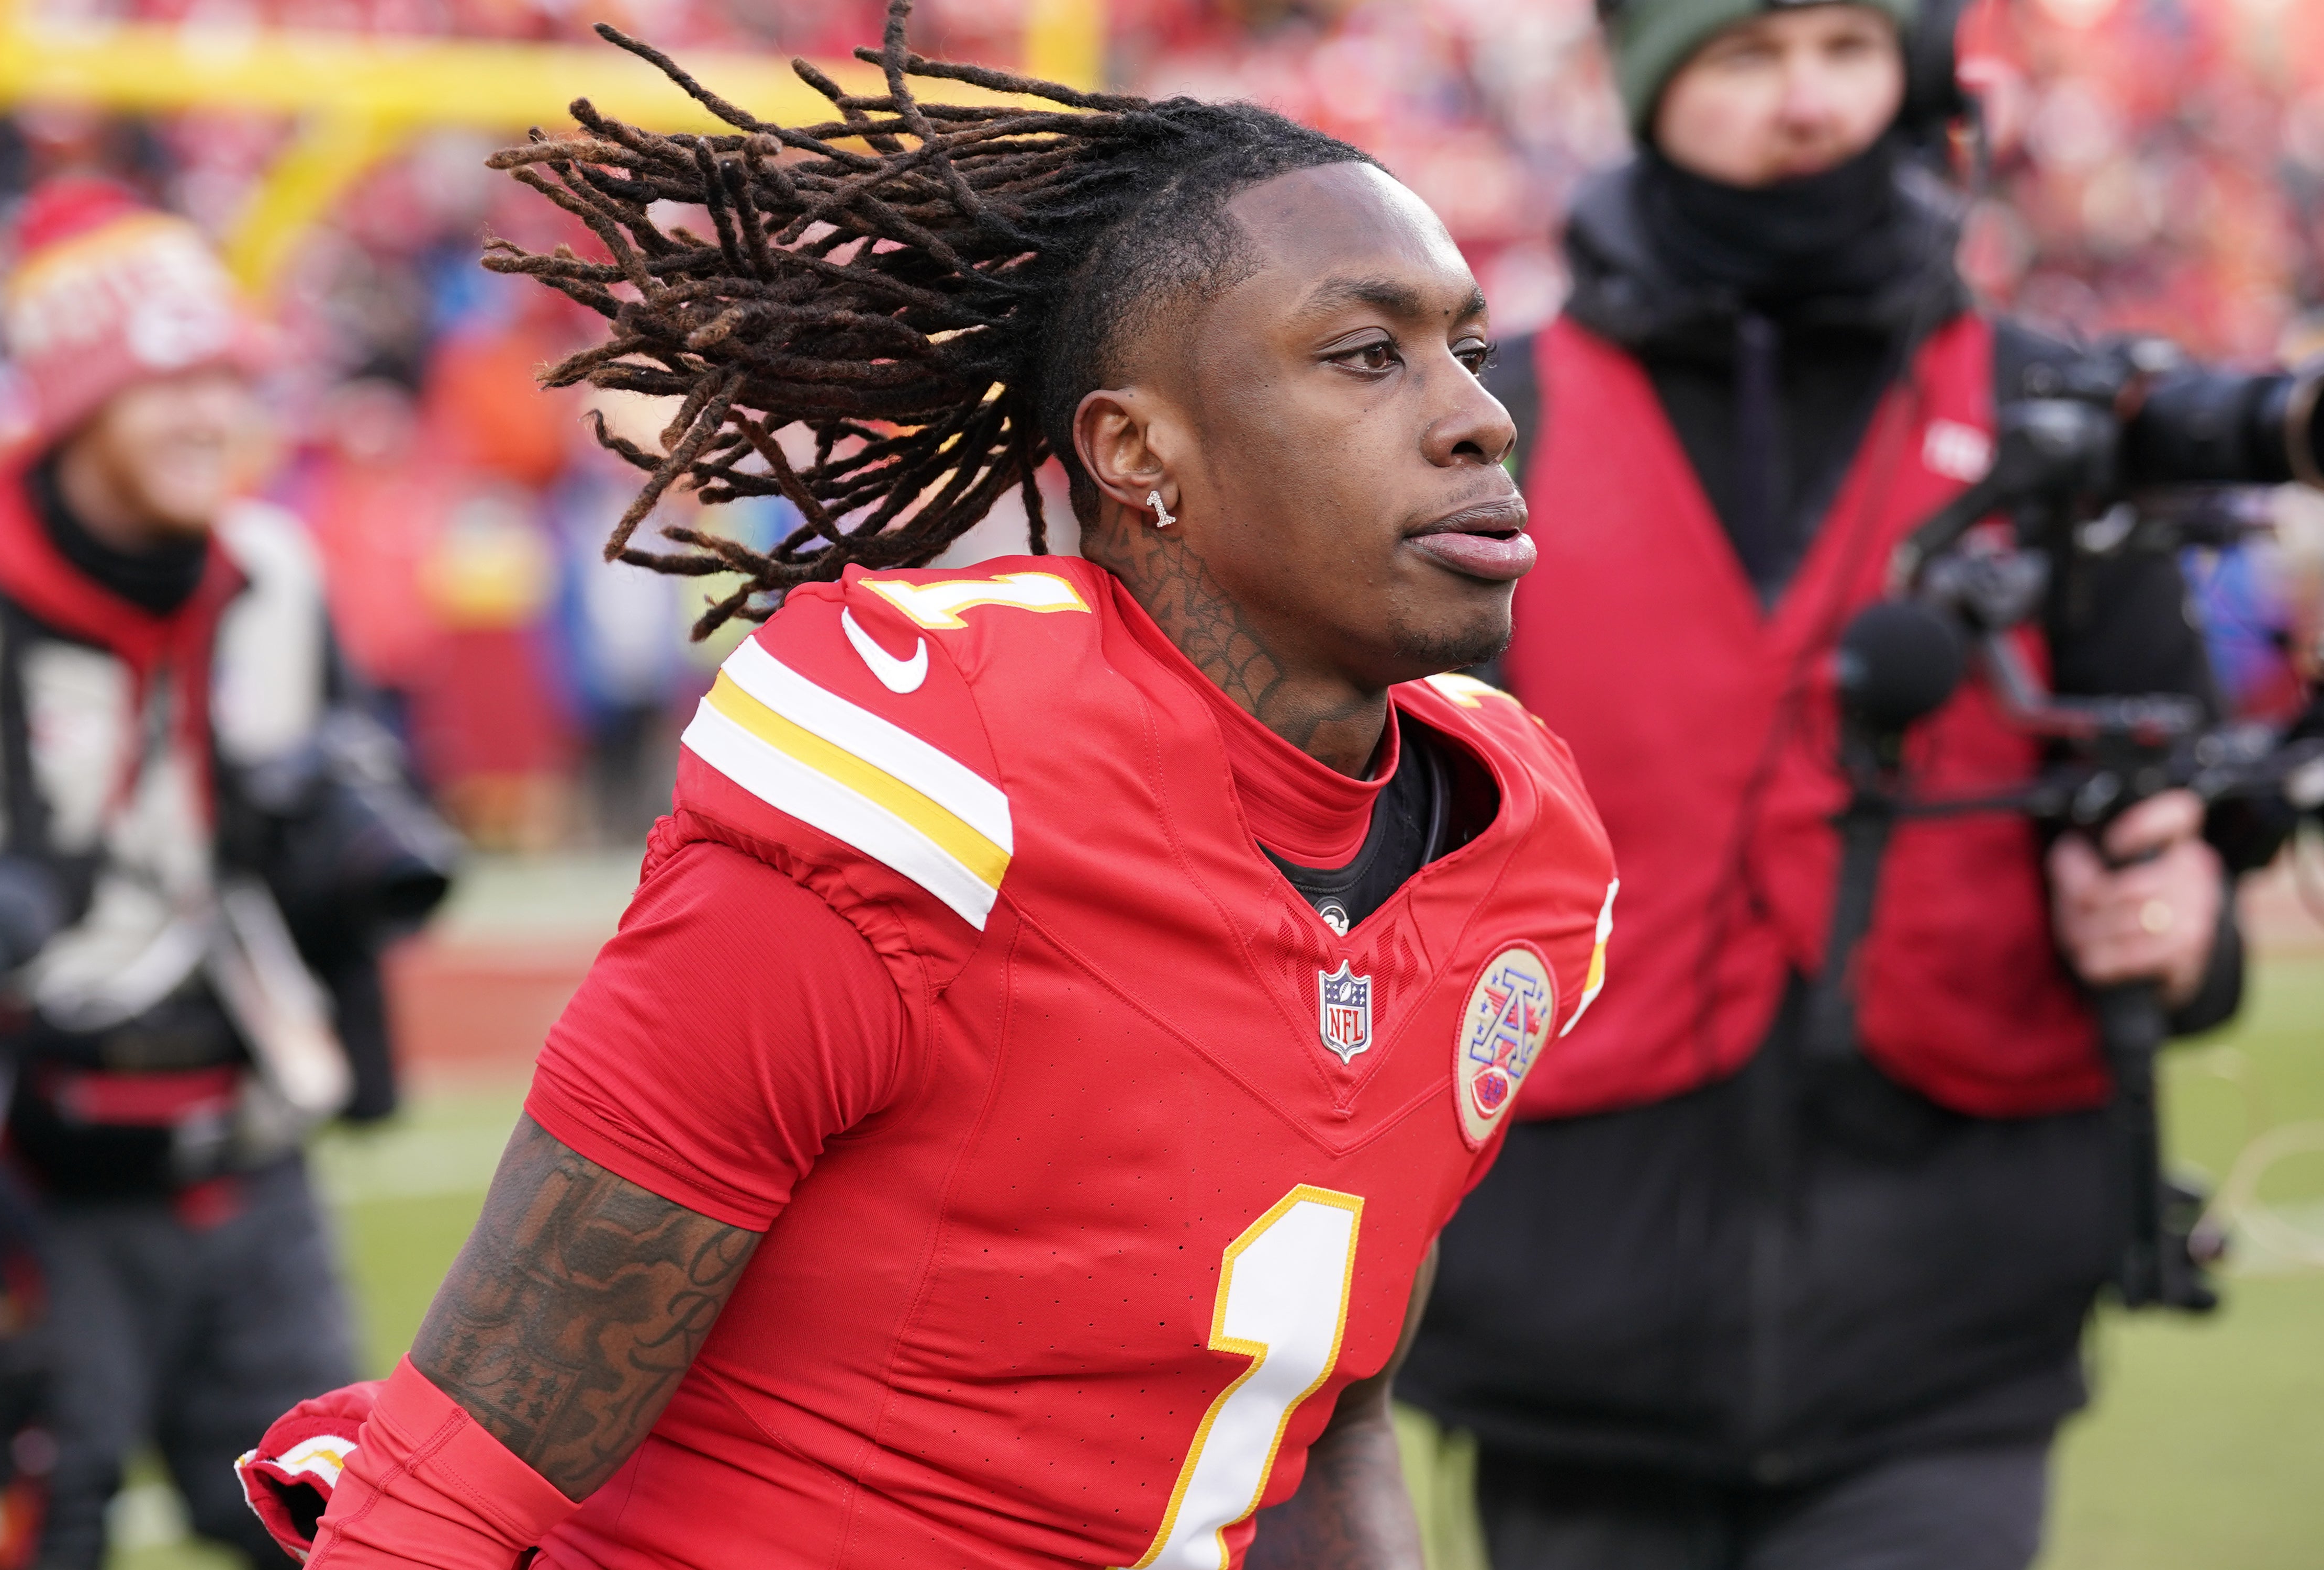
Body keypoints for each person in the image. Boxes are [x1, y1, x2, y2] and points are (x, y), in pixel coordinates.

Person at [233, 7, 1618, 1567]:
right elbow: (467, 1461)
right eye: (1370, 356)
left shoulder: (1525, 849)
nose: (1479, 414)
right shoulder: (931, 773)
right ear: (1136, 452)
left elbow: (1322, 1430)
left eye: (1470, 350)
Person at [1397, 4, 2324, 1568]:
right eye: (1748, 52)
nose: (1811, 101)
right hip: (1562, 1312)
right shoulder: (1482, 426)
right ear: (1650, 81)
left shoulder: (2070, 418)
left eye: (1847, 44)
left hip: (1950, 1332)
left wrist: (2181, 925)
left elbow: (2177, 856)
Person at [0, 177, 447, 1569]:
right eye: (160, 383)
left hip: (252, 1160)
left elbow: (349, 818)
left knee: (349, 1527)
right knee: (29, 1535)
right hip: (29, 1177)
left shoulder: (274, 576)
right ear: (68, 404)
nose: (208, 419)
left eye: (227, 379)